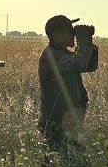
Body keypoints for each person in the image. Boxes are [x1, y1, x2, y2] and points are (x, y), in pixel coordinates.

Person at [38, 15, 98, 151]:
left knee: (69, 160)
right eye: (69, 30)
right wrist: (83, 41)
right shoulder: (52, 55)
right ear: (55, 34)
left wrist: (87, 41)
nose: (73, 33)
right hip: (55, 120)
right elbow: (80, 63)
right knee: (57, 161)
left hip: (66, 119)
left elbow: (90, 66)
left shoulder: (62, 53)